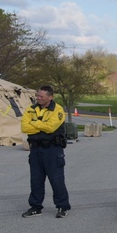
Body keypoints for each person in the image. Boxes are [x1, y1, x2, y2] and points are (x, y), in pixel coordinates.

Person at [20, 85, 71, 218]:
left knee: (56, 179)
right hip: (36, 149)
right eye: (37, 96)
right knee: (36, 179)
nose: (38, 98)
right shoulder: (31, 109)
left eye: (41, 96)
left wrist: (34, 123)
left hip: (52, 150)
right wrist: (41, 126)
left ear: (50, 97)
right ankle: (36, 207)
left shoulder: (58, 109)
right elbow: (25, 127)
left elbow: (50, 128)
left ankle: (62, 206)